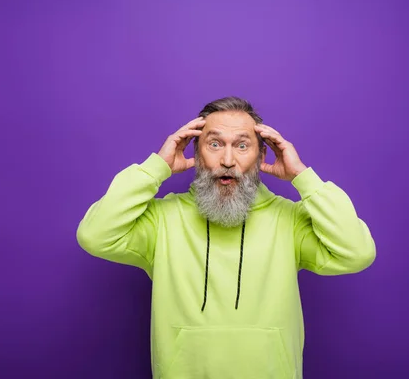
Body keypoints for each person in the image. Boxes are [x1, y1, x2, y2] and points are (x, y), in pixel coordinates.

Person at [76, 96, 376, 379]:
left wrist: (303, 177)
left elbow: (356, 253)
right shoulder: (162, 219)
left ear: (261, 156)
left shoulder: (290, 220)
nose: (228, 159)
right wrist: (155, 168)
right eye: (215, 144)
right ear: (195, 152)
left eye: (242, 146)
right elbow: (95, 235)